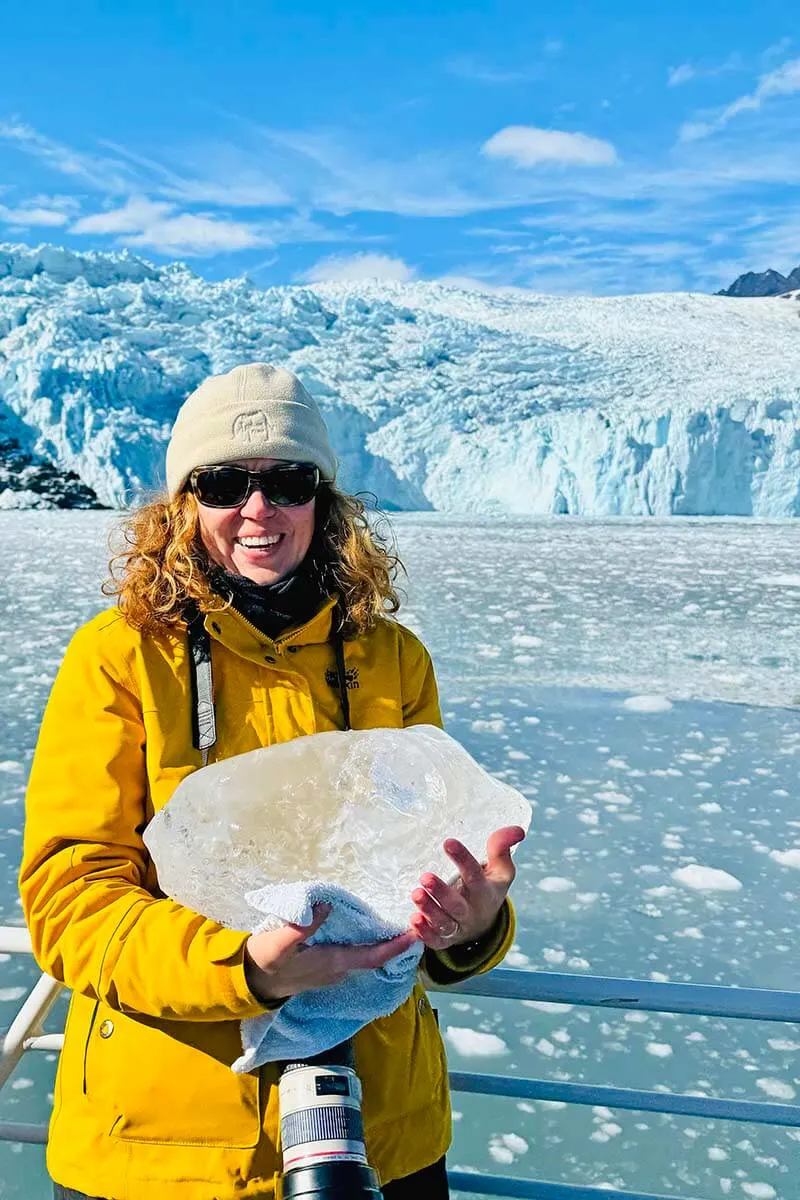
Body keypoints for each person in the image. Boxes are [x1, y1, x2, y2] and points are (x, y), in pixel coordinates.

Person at [19, 362, 524, 1200]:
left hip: (382, 1136)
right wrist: (246, 972)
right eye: (223, 484)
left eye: (287, 481)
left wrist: (472, 924)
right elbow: (70, 899)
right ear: (186, 504)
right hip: (168, 1153)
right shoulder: (119, 657)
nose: (258, 511)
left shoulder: (393, 661)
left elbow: (439, 873)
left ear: (323, 499)